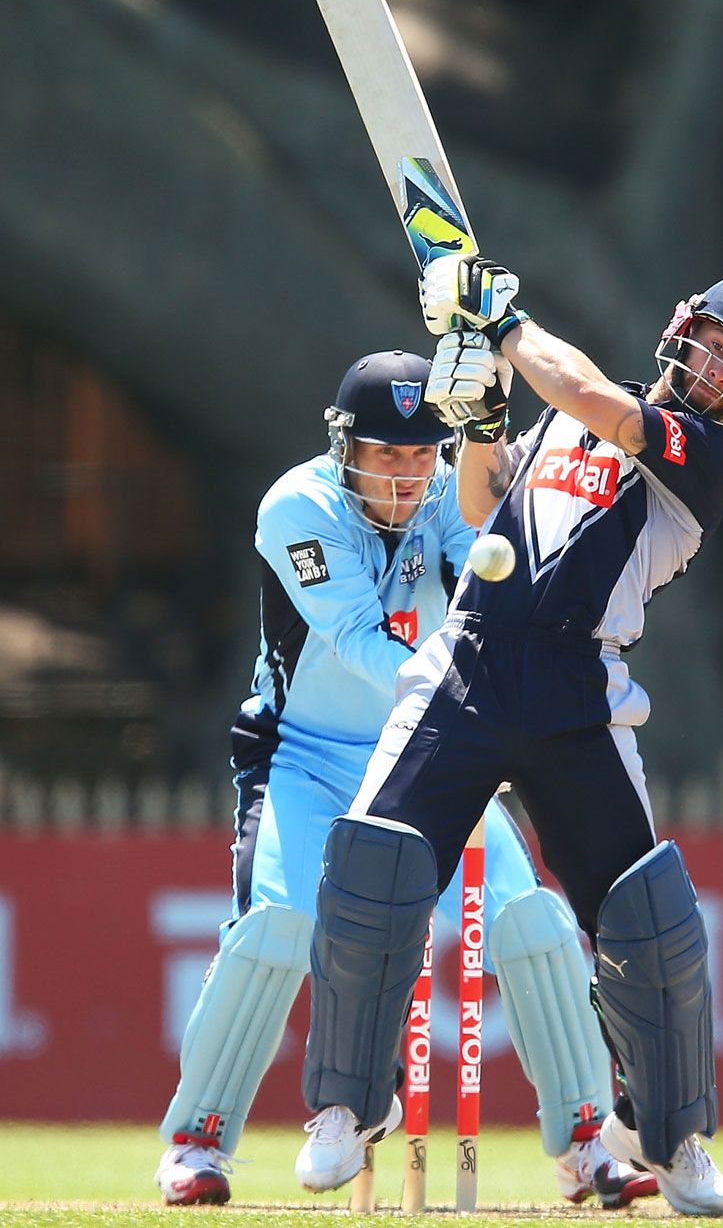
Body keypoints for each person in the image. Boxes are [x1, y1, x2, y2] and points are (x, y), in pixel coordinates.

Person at [295, 264, 723, 1218]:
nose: (720, 367)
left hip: (582, 690)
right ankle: (344, 1109)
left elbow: (584, 392)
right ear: (682, 327)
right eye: (719, 343)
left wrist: (504, 322)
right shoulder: (568, 417)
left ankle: (670, 1137)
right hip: (468, 667)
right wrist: (483, 421)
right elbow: (485, 508)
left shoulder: (700, 455)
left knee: (649, 926)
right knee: (374, 873)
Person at [154, 348, 657, 1209]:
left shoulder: (449, 498)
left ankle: (585, 1145)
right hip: (306, 754)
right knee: (278, 921)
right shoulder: (298, 506)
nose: (407, 472)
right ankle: (197, 1140)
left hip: (430, 747)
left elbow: (498, 583)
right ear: (345, 445)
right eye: (387, 453)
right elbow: (356, 640)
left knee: (530, 917)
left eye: (422, 452)